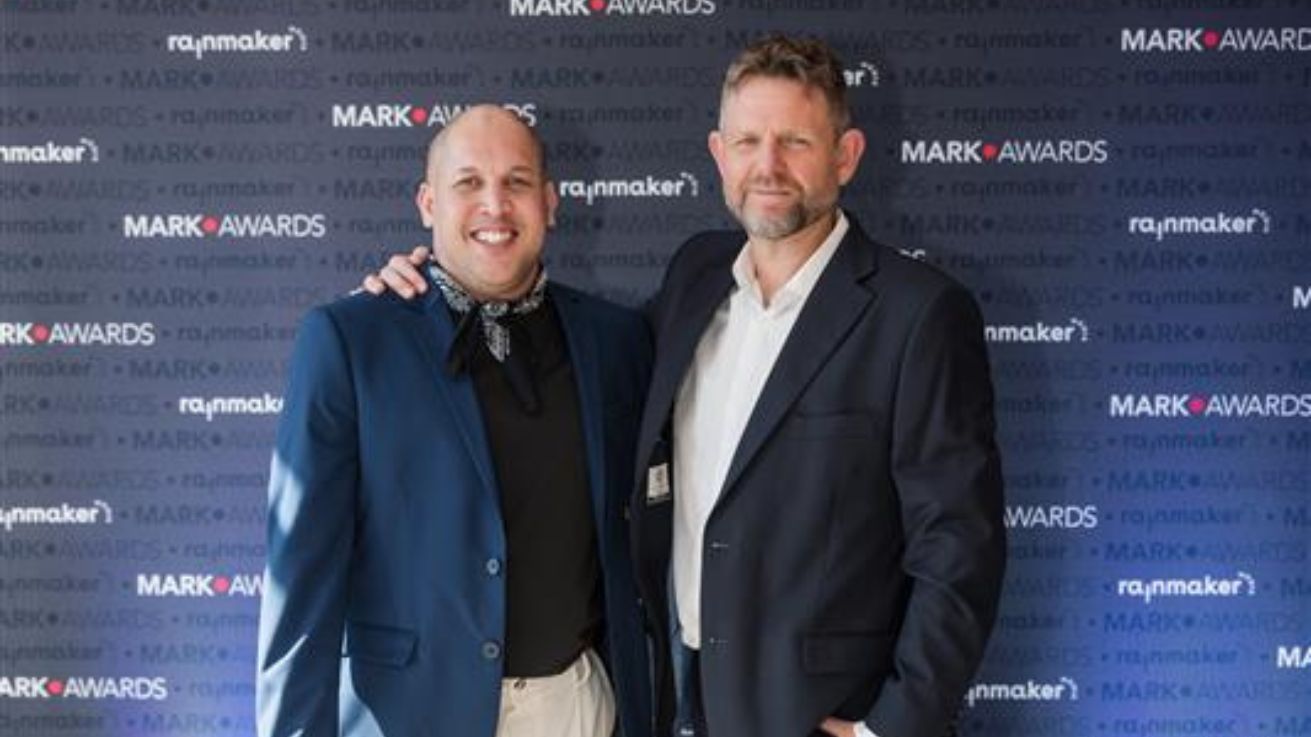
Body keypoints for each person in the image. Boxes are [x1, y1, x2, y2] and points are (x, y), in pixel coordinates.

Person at [366, 36, 1005, 737]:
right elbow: (554, 338)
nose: (768, 166)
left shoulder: (918, 313)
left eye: (795, 141)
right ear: (718, 154)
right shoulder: (694, 279)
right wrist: (434, 289)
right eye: (748, 141)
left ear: (845, 156)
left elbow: (958, 547)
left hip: (821, 712)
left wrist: (891, 728)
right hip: (678, 698)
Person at [258, 106, 653, 737]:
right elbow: (299, 577)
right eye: (468, 183)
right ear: (428, 203)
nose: (494, 205)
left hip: (575, 710)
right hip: (407, 716)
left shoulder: (617, 341)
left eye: (517, 182)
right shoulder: (353, 339)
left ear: (550, 202)